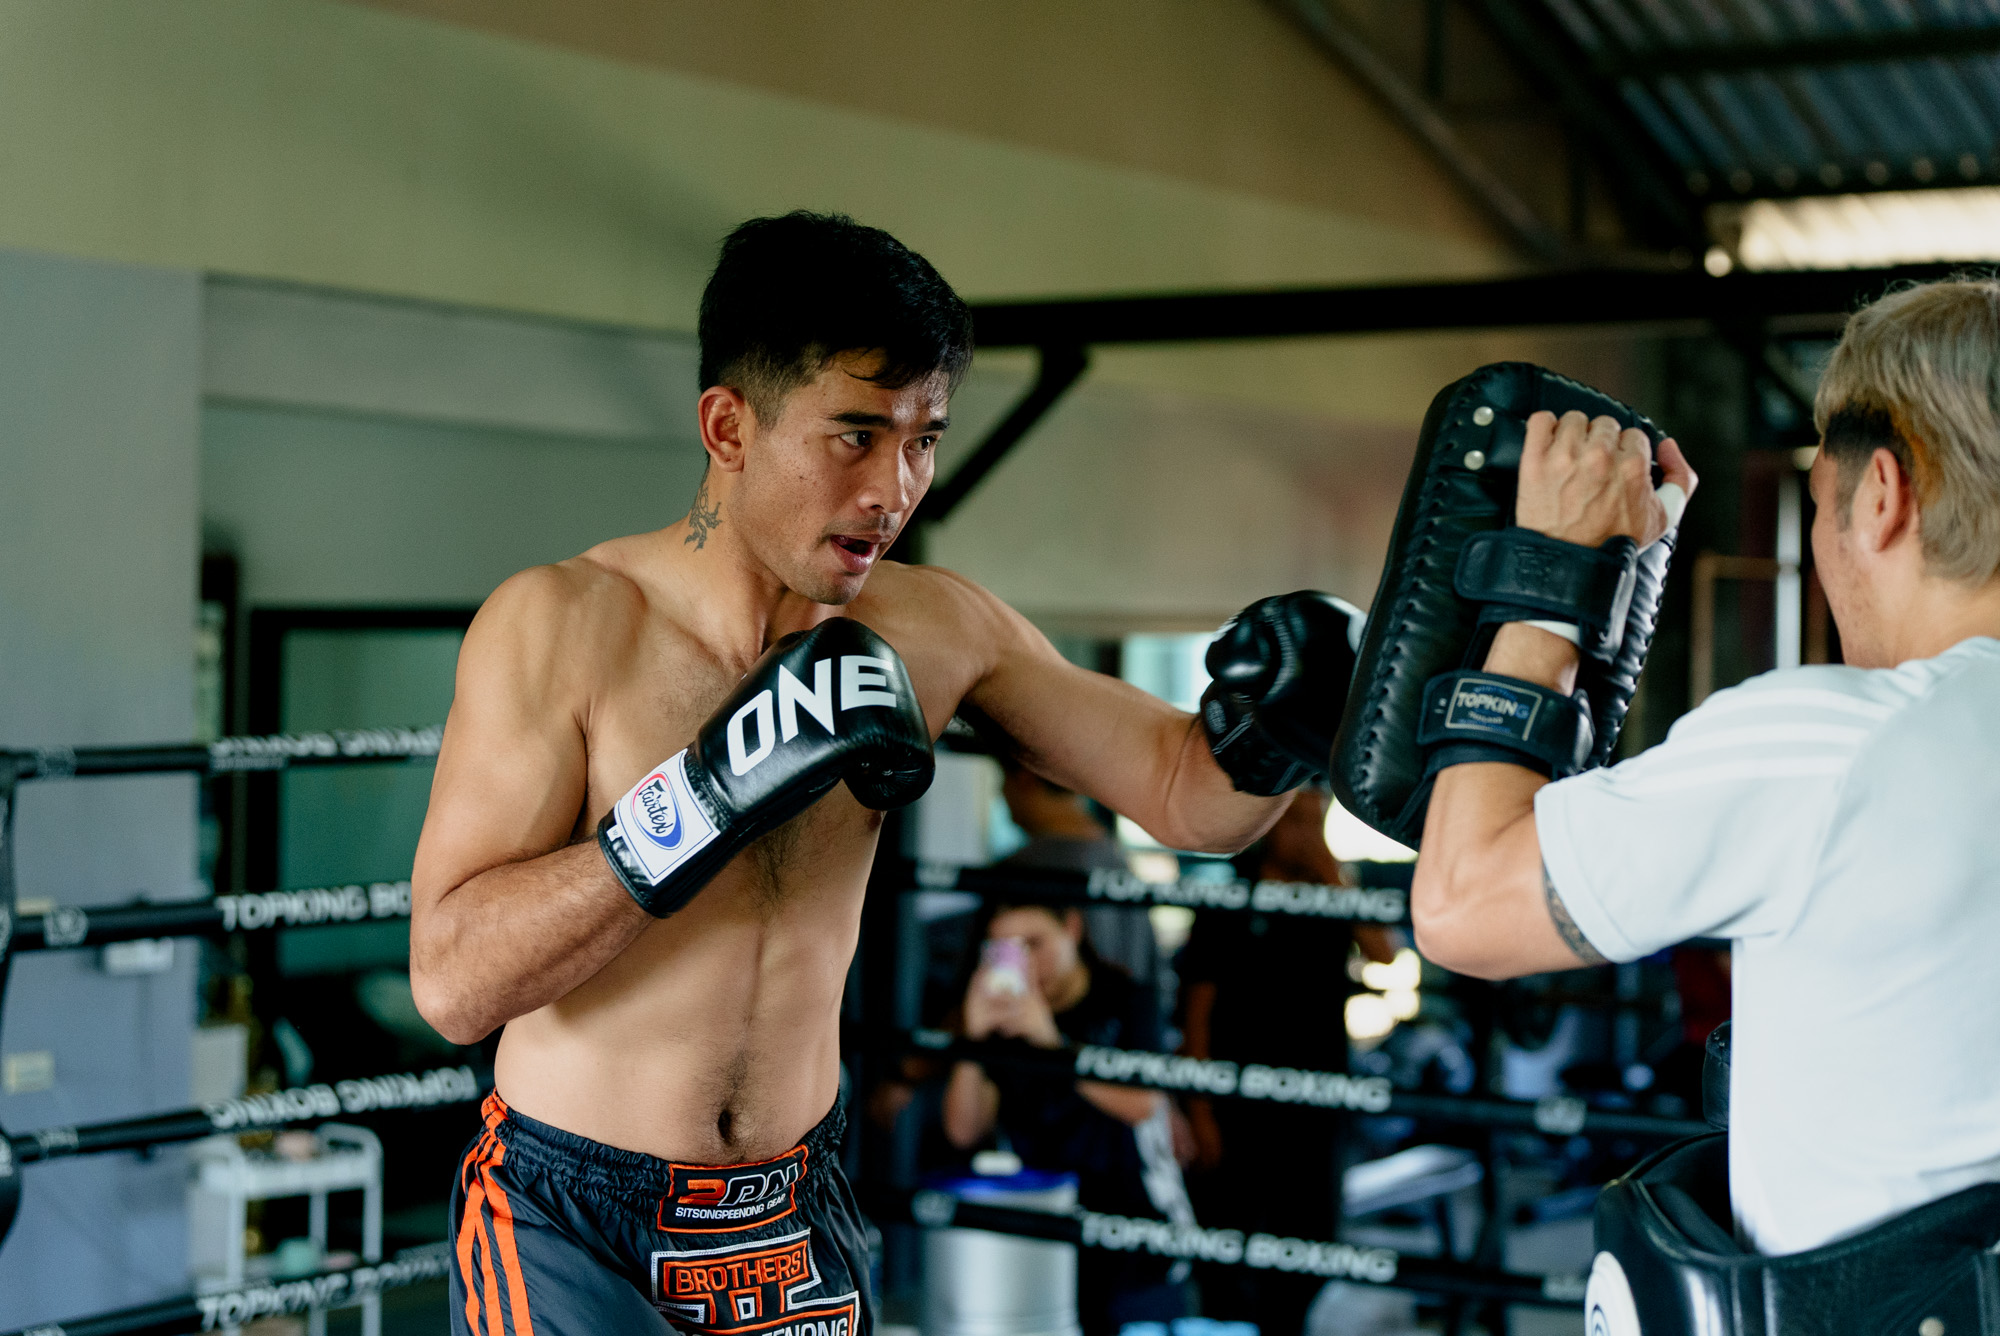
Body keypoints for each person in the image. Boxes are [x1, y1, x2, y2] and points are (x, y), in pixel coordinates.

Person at [409, 211, 1350, 1336]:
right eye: (853, 434)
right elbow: (452, 984)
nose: (892, 489)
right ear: (728, 427)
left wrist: (1281, 727)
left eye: (921, 440)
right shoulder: (563, 624)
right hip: (573, 1220)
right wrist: (699, 802)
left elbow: (1188, 796)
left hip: (789, 1211)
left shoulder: (934, 631)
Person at [1408, 278, 2000, 1256]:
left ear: (1881, 497)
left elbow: (1459, 905)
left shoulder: (1836, 745)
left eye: (1820, 506)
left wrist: (1549, 576)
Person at [1177, 789, 1395, 1335]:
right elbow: (1196, 1013)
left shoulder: (1332, 896)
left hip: (1316, 1101)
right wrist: (1200, 1110)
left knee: (1310, 1238)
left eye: (1314, 821)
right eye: (1294, 819)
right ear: (1268, 821)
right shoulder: (1230, 898)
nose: (1303, 832)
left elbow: (1385, 953)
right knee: (1228, 1241)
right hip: (1238, 1101)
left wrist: (1330, 872)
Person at [940, 902, 1195, 1333]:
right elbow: (963, 1131)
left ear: (1072, 928)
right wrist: (973, 1040)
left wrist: (1052, 1043)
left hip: (1137, 1228)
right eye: (1004, 950)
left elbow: (1142, 1103)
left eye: (1033, 944)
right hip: (1048, 1226)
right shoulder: (1004, 1020)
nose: (1023, 962)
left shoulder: (1124, 996)